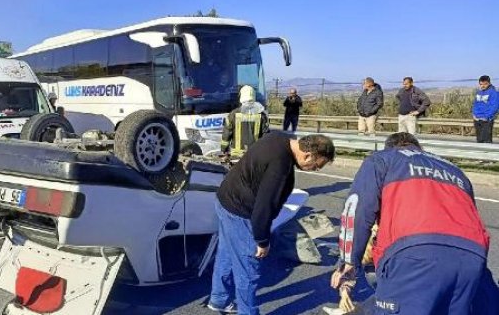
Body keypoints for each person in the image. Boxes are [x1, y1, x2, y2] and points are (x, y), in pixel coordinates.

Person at [332, 132, 490, 314]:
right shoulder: (456, 171)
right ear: (419, 148)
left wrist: (348, 262)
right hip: (472, 256)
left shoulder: (383, 160)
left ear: (391, 147)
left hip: (414, 253)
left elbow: (357, 211)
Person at [210, 133, 335, 314]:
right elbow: (264, 206)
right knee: (248, 270)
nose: (314, 170)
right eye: (316, 165)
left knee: (227, 253)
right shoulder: (280, 166)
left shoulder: (278, 139)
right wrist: (262, 240)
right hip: (241, 211)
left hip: (225, 200)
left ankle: (219, 299)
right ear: (308, 154)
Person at [220, 85, 270, 158]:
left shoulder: (233, 114)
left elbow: (226, 135)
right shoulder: (262, 115)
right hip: (255, 154)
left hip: (236, 155)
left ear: (241, 97)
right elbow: (266, 137)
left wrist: (223, 150)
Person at [472, 75, 499, 143]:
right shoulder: (479, 92)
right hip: (477, 119)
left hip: (486, 120)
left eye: (485, 84)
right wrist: (474, 114)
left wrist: (486, 117)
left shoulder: (494, 93)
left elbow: (494, 106)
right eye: (481, 84)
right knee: (479, 140)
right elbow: (475, 104)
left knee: (486, 141)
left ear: (489, 83)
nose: (483, 86)